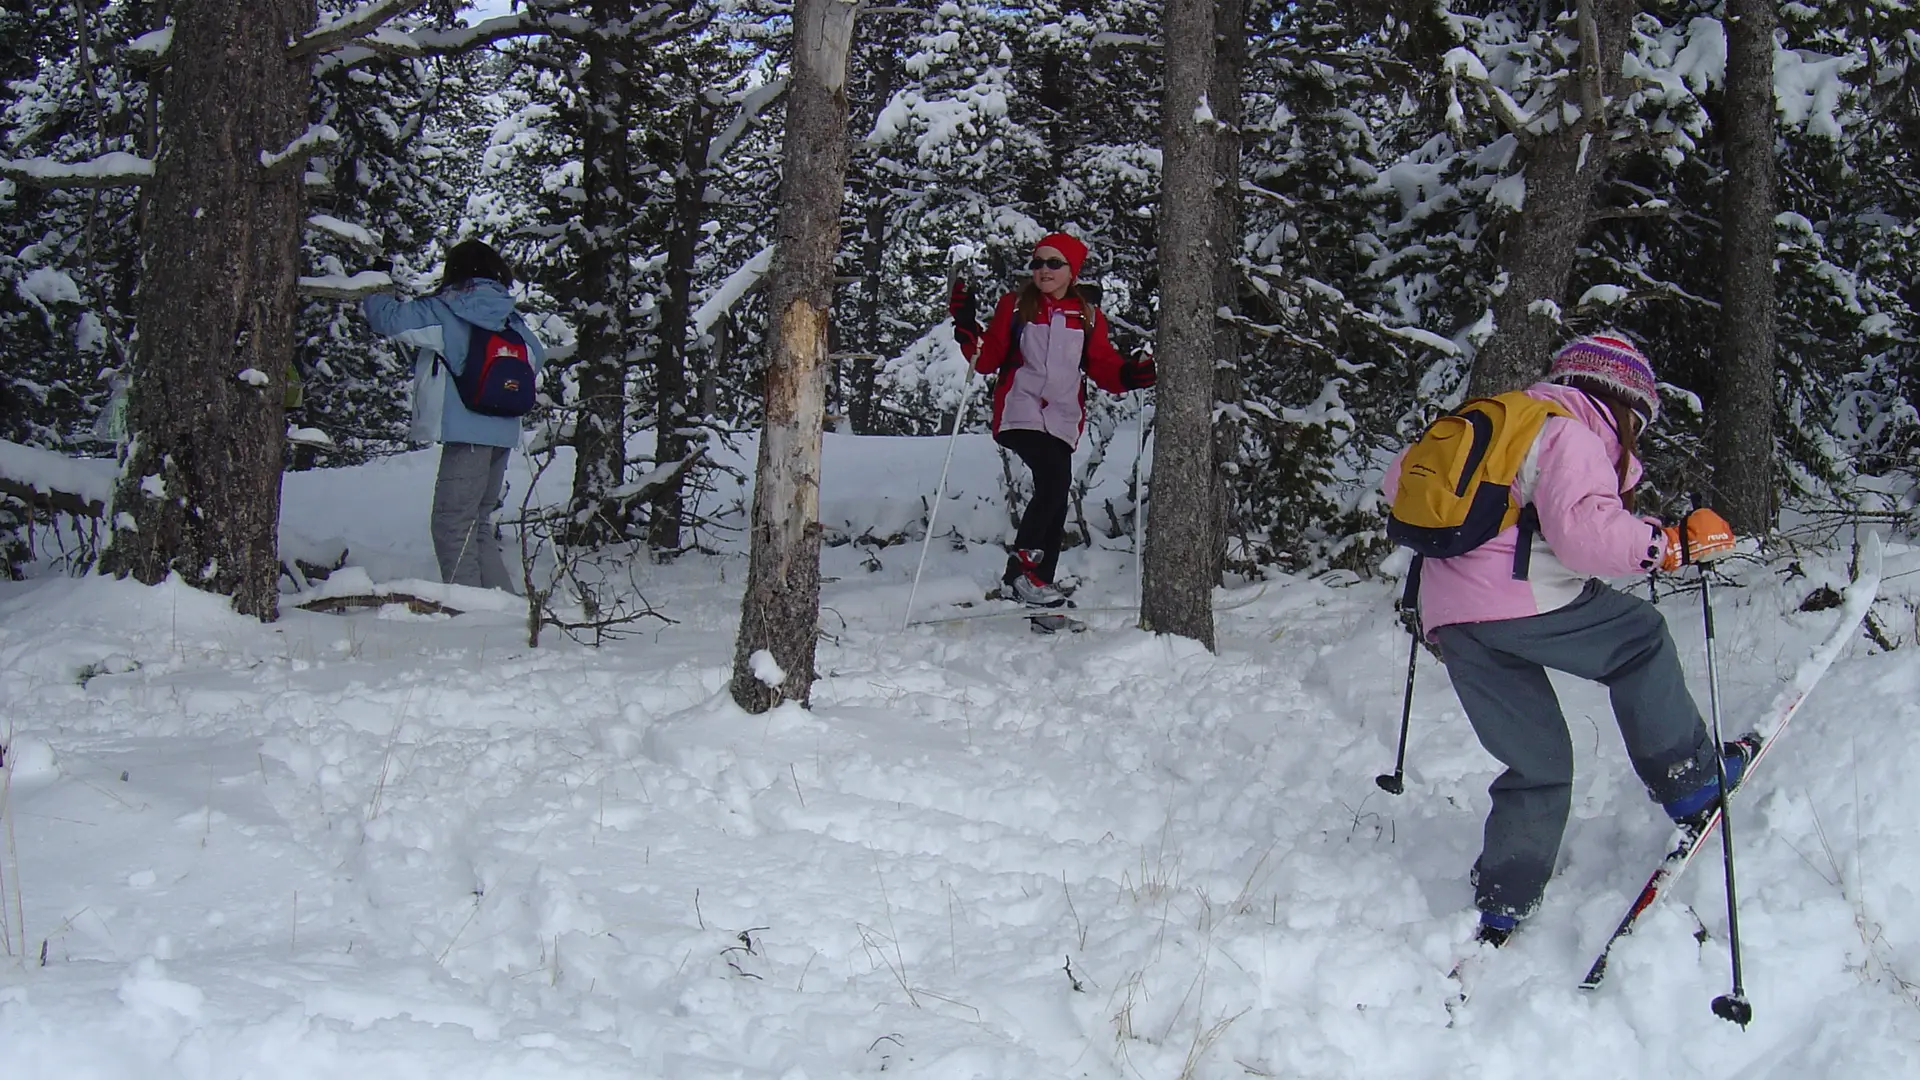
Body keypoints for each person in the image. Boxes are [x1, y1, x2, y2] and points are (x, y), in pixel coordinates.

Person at [1382, 333, 1741, 946]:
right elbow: (1582, 535)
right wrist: (1667, 546)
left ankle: (1504, 898)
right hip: (1522, 599)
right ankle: (1692, 780)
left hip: (1452, 616)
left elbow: (1401, 486)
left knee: (1537, 759)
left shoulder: (1499, 421)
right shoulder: (1570, 432)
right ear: (1626, 405)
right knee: (1640, 640)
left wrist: (1642, 529)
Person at [949, 232, 1155, 631]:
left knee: (1057, 499)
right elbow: (987, 359)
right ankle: (1021, 574)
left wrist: (1132, 375)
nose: (1043, 270)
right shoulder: (1015, 306)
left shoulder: (1088, 316)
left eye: (1053, 263)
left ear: (1071, 271)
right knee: (1055, 479)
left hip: (1061, 418)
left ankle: (1041, 603)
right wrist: (965, 322)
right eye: (1038, 262)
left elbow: (1103, 366)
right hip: (1019, 411)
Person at [362, 239, 546, 592]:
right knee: (476, 524)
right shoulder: (509, 315)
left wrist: (373, 284)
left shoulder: (445, 309)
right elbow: (536, 355)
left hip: (467, 432)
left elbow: (389, 320)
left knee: (451, 525)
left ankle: (472, 614)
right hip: (504, 432)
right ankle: (502, 607)